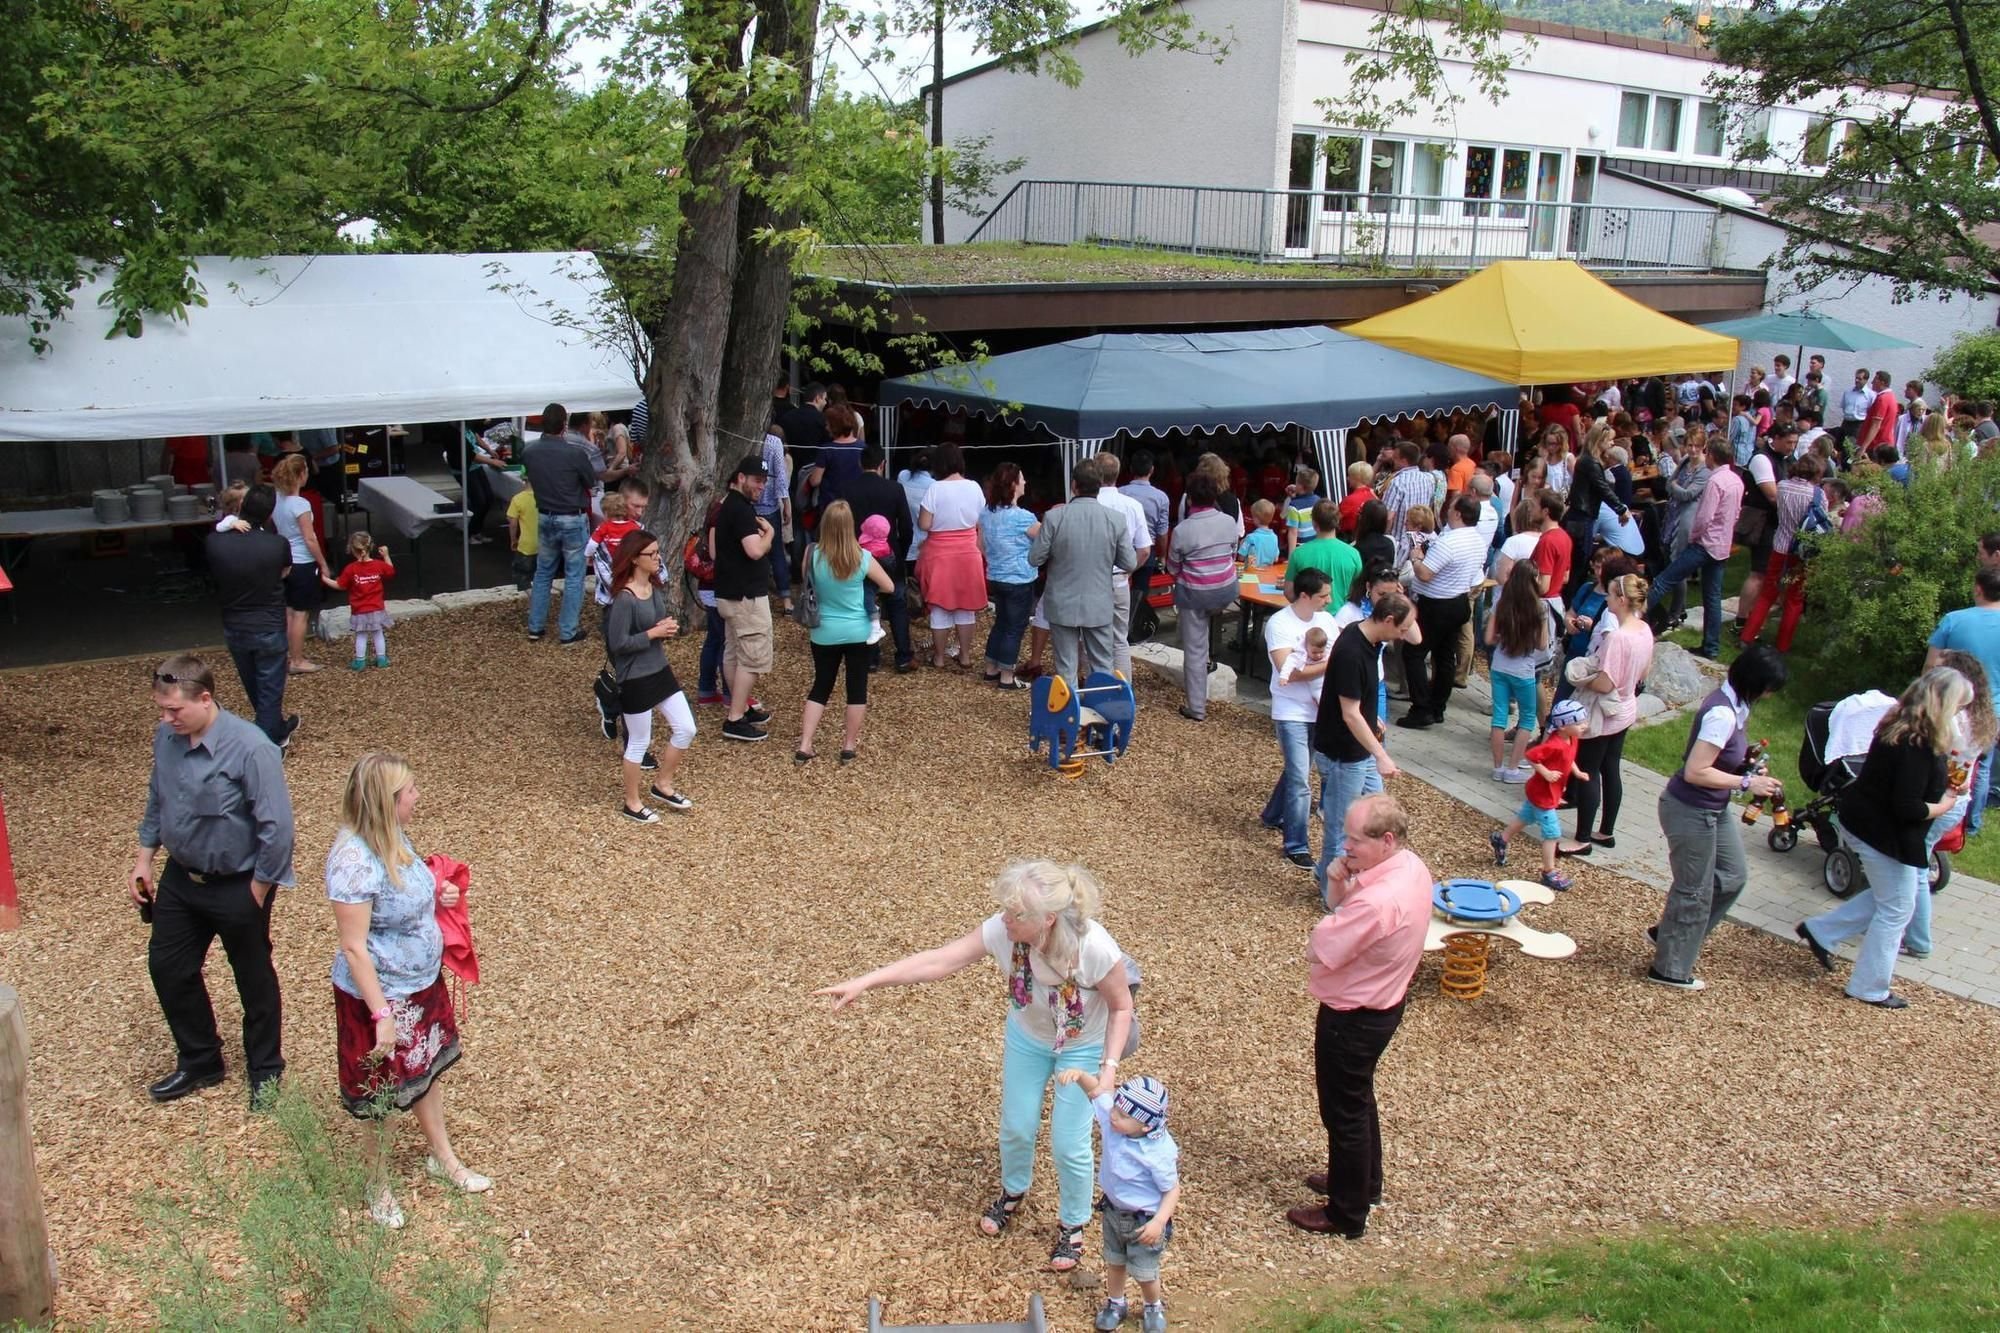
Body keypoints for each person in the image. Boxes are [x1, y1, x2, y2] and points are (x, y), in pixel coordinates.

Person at [816, 861, 1136, 1273]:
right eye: (1005, 909)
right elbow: (940, 961)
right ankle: (1012, 1191)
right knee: (1017, 1125)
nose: (1005, 919)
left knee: (1067, 1142)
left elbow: (1121, 1006)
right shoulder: (1003, 931)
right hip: (1028, 1036)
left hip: (1081, 1044)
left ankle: (1072, 1224)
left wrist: (1108, 1069)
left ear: (1047, 920)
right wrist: (866, 981)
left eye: (1016, 914)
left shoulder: (1093, 947)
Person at [325, 752, 488, 1229]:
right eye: (410, 791)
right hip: (379, 996)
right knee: (382, 1093)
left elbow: (407, 890)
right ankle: (378, 1186)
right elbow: (355, 947)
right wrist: (381, 1015)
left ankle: (443, 1157)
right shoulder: (353, 859)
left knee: (427, 1073)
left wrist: (440, 894)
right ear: (387, 800)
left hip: (420, 983)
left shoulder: (393, 835)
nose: (417, 797)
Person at [130, 655, 295, 1107]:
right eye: (162, 710)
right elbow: (157, 798)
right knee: (168, 967)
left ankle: (265, 1069)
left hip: (238, 883)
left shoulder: (251, 747)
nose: (166, 720)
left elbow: (277, 828)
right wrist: (145, 860)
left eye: (174, 711)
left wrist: (258, 889)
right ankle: (200, 1060)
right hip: (181, 879)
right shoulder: (167, 738)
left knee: (252, 977)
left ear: (205, 699)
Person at [1286, 793, 1430, 1240]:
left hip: (1353, 1016)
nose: (1344, 847)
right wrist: (1341, 884)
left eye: (1352, 840)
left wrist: (1338, 902)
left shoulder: (1379, 900)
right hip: (1384, 1003)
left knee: (1343, 1109)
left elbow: (1323, 946)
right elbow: (1345, 912)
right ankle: (1363, 1182)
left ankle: (1345, 1214)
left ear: (1386, 840)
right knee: (1359, 1099)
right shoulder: (1410, 867)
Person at [1798, 668, 1972, 1009]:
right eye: (1958, 707)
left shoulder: (1903, 724)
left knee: (1889, 897)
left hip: (1867, 821)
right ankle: (1869, 986)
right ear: (1943, 705)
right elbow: (1907, 807)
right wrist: (1946, 804)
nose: (1960, 716)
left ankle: (1822, 932)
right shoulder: (1916, 743)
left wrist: (1950, 787)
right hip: (1880, 832)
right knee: (1897, 908)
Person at [1645, 646, 1790, 989]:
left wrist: (1745, 765)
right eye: (1769, 688)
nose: (1770, 695)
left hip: (1714, 806)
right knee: (1693, 891)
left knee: (1732, 875)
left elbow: (1722, 756)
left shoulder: (1736, 705)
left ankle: (1671, 932)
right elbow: (1696, 771)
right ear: (1755, 683)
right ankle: (1669, 969)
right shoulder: (1721, 714)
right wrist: (1747, 781)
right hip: (1690, 808)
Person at [1055, 1069, 1179, 1333]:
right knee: (1115, 1262)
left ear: (1145, 1125)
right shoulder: (1115, 1123)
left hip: (1143, 1222)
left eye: (1123, 1116)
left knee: (1146, 1272)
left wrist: (1159, 1221)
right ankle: (1115, 1302)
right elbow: (1096, 1093)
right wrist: (1079, 1076)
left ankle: (1152, 1305)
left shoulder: (1158, 1152)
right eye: (1116, 1109)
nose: (1113, 1115)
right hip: (1113, 1213)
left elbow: (1171, 1190)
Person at [1312, 594, 1411, 892]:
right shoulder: (1352, 652)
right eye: (1402, 629)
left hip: (1359, 750)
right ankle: (1330, 892)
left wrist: (1372, 719)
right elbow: (1350, 714)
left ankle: (1370, 878)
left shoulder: (1366, 637)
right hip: (1344, 753)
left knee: (1379, 813)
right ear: (1389, 620)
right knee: (1342, 829)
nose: (1403, 636)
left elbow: (1359, 704)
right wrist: (1381, 755)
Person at [795, 501, 898, 764]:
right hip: (858, 630)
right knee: (856, 688)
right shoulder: (862, 557)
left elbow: (806, 581)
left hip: (823, 630)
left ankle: (806, 743)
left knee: (821, 686)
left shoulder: (812, 554)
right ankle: (848, 746)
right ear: (851, 526)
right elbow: (889, 586)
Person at [604, 530, 695, 821]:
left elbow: (655, 627)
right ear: (634, 559)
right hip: (634, 678)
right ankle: (632, 802)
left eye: (658, 552)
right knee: (639, 741)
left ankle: (662, 784)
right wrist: (653, 633)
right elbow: (618, 644)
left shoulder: (654, 590)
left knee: (686, 728)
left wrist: (665, 629)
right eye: (652, 554)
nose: (658, 558)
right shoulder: (624, 599)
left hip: (659, 670)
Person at [1561, 573, 1654, 854]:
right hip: (1626, 709)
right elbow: (1644, 673)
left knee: (1588, 771)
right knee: (1611, 768)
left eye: (1612, 595)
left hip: (1604, 712)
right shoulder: (1645, 630)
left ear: (1622, 600)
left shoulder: (1618, 638)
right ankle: (1606, 832)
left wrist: (1581, 677)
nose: (1608, 599)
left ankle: (1581, 839)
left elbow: (1604, 683)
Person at [1029, 459, 1137, 687]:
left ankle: (1070, 717)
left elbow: (1035, 558)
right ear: (1099, 485)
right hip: (1099, 600)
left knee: (1066, 665)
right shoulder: (1115, 520)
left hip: (1062, 600)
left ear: (1074, 485)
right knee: (1102, 663)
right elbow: (1129, 561)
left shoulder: (1055, 517)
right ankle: (1102, 712)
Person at [206, 485, 298, 748]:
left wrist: (229, 524)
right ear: (270, 514)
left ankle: (276, 727)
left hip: (235, 624)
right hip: (268, 622)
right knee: (269, 687)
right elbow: (285, 571)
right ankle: (267, 745)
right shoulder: (276, 544)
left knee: (256, 686)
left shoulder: (216, 542)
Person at [1262, 569, 1339, 873]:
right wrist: (1329, 666)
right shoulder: (1280, 624)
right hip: (1291, 711)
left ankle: (1272, 815)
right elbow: (1288, 672)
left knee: (1299, 769)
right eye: (1323, 596)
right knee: (1300, 778)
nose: (1329, 601)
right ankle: (1297, 844)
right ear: (1305, 596)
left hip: (1319, 710)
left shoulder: (1327, 621)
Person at [1645, 437, 1743, 659]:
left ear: (1712, 456)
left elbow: (1704, 517)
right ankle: (1711, 648)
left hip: (1704, 543)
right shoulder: (1736, 480)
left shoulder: (1715, 482)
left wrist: (1694, 537)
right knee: (1712, 597)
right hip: (1721, 546)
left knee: (1664, 580)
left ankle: (1632, 618)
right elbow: (1736, 514)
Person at [1398, 495, 1485, 729]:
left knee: (1414, 653)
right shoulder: (1476, 540)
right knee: (1444, 656)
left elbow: (1425, 573)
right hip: (1458, 600)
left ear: (1457, 513)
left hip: (1437, 604)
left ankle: (1422, 707)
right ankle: (1437, 707)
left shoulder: (1449, 541)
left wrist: (1416, 559)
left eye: (1451, 508)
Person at [1925, 565, 2000, 834]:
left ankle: (1933, 806)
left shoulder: (1954, 619)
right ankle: (1970, 824)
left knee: (1938, 758)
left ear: (1978, 588)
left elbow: (1931, 665)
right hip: (1992, 711)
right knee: (1979, 768)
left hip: (1949, 703)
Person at [1488, 698, 1590, 891]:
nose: (1584, 726)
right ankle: (1549, 872)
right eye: (1579, 723)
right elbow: (1532, 756)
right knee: (1552, 835)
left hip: (1543, 794)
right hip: (1543, 796)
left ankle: (1501, 839)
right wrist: (1546, 773)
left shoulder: (1572, 739)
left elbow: (1569, 758)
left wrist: (1576, 772)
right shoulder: (1554, 744)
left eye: (1584, 721)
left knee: (1525, 817)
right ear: (1563, 726)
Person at [712, 454, 778, 743]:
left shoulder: (728, 506)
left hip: (729, 593)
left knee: (734, 652)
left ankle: (740, 707)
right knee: (751, 656)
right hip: (745, 595)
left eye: (763, 481)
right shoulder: (739, 510)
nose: (760, 486)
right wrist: (770, 534)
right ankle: (735, 717)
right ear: (740, 478)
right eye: (755, 480)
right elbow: (754, 550)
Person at [1164, 469, 1239, 722]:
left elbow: (1172, 568)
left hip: (1196, 593)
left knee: (1195, 650)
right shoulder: (1229, 522)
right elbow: (1232, 552)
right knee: (1204, 630)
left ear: (1189, 499)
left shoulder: (1183, 530)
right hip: (1227, 589)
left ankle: (1197, 708)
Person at [524, 403, 599, 646]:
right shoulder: (574, 454)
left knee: (543, 572)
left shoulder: (530, 451)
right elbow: (591, 480)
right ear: (564, 425)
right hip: (571, 516)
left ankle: (535, 625)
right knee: (574, 574)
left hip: (545, 514)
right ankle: (567, 630)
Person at [1739, 455, 1829, 651]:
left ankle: (1747, 636)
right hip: (1801, 551)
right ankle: (1782, 645)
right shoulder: (1817, 494)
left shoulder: (1782, 487)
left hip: (1779, 546)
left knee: (1767, 594)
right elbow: (1823, 519)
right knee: (1794, 599)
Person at [916, 443, 989, 669]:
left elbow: (925, 524)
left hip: (939, 553)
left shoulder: (935, 489)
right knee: (965, 608)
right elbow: (981, 521)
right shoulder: (975, 487)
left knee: (939, 607)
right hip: (968, 551)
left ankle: (939, 657)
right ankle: (965, 655)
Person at [848, 443, 918, 673]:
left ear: (859, 464)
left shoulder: (848, 489)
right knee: (897, 603)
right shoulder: (894, 489)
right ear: (882, 464)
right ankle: (903, 655)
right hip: (890, 553)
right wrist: (901, 550)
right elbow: (907, 527)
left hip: (858, 554)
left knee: (865, 603)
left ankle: (870, 656)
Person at [1485, 561, 1553, 782]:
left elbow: (1488, 638)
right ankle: (1512, 768)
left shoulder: (1501, 603)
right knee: (1526, 718)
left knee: (1499, 716)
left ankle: (1497, 767)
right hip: (1524, 668)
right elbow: (1543, 644)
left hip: (1499, 666)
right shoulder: (1539, 608)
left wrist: (1502, 638)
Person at [268, 454, 333, 674]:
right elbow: (310, 538)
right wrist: (323, 563)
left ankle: (289, 655)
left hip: (284, 560)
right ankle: (297, 660)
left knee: (288, 611)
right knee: (301, 614)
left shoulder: (276, 499)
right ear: (300, 474)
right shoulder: (300, 504)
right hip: (303, 561)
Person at [979, 463, 1042, 689]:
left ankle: (990, 669)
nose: (1025, 483)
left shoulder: (986, 513)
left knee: (1001, 623)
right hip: (1019, 579)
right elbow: (1044, 540)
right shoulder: (1024, 517)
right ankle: (1007, 676)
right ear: (1014, 485)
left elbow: (981, 545)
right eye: (1022, 479)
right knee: (1014, 627)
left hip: (996, 576)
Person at [1095, 450, 1153, 675]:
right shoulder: (1132, 505)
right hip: (1119, 578)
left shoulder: (1086, 503)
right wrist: (1129, 570)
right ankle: (1123, 690)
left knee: (1091, 635)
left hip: (1092, 579)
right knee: (1120, 638)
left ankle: (1093, 685)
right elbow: (1145, 550)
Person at [327, 532, 395, 671]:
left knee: (361, 635)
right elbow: (390, 572)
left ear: (352, 549)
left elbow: (340, 585)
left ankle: (360, 661)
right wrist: (386, 556)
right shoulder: (378, 565)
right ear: (371, 547)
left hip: (359, 609)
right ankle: (381, 659)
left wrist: (324, 579)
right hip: (377, 607)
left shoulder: (351, 569)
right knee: (378, 633)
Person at [1284, 500, 1363, 605]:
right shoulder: (1353, 554)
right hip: (1341, 617)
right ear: (1337, 521)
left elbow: (1289, 592)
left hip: (1309, 616)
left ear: (1314, 523)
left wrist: (1305, 608)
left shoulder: (1298, 553)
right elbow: (1357, 591)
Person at [505, 474, 539, 592]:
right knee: (542, 576)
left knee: (522, 576)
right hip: (545, 544)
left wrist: (513, 539)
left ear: (524, 481)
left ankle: (530, 602)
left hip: (526, 545)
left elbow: (513, 523)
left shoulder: (518, 499)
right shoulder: (545, 497)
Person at [1238, 499, 1280, 566]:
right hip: (1268, 573)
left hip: (1252, 573)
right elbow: (1276, 559)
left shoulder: (1250, 538)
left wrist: (1241, 544)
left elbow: (1241, 558)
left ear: (1256, 519)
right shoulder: (1275, 537)